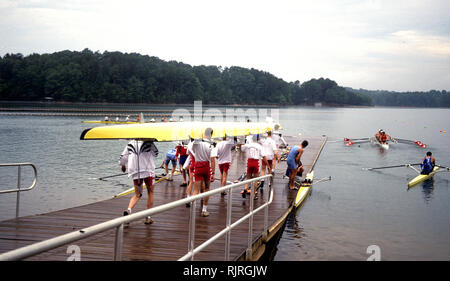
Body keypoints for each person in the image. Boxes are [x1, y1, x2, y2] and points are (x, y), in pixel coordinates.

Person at [119, 140, 159, 225]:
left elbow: (123, 157)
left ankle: (129, 210)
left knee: (137, 194)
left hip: (135, 171)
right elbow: (156, 153)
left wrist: (123, 165)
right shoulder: (149, 142)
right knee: (150, 192)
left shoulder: (130, 143)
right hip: (148, 171)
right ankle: (148, 217)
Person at [191, 128, 214, 217]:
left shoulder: (196, 143)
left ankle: (193, 208)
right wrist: (213, 173)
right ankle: (204, 210)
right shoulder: (211, 145)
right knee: (207, 188)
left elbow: (193, 151)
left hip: (198, 166)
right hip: (206, 167)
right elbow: (212, 159)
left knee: (196, 190)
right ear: (210, 135)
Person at [241, 134, 267, 199]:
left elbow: (242, 149)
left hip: (249, 161)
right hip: (255, 162)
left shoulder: (248, 145)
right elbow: (263, 156)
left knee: (248, 178)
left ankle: (245, 189)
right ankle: (254, 195)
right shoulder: (259, 146)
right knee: (255, 179)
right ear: (258, 139)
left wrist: (243, 140)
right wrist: (268, 165)